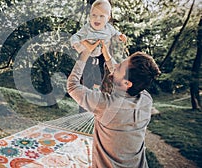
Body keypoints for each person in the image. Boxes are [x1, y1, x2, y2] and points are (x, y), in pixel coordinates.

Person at [67, 40, 161, 168]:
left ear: (127, 83)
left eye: (120, 66)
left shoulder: (106, 105)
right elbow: (121, 78)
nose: (115, 66)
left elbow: (72, 86)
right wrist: (107, 56)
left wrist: (85, 52)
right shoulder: (146, 99)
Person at [70, 0, 127, 91]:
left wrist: (120, 37)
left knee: (101, 71)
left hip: (101, 54)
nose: (97, 18)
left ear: (108, 18)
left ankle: (97, 85)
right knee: (87, 72)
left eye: (101, 16)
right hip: (88, 54)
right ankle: (86, 88)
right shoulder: (87, 28)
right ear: (90, 16)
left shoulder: (109, 28)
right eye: (94, 15)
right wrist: (76, 44)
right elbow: (75, 36)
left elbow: (116, 34)